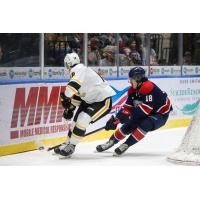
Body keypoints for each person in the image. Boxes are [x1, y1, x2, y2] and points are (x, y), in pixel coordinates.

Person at [96, 67, 173, 156]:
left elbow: (145, 111)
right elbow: (127, 108)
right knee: (129, 124)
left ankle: (126, 144)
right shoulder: (132, 90)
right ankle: (111, 142)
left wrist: (125, 118)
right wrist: (116, 120)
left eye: (131, 80)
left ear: (138, 79)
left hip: (160, 115)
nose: (130, 81)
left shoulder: (148, 87)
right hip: (148, 111)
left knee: (145, 124)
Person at [54, 52, 116, 158]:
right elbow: (79, 95)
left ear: (67, 64)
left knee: (83, 119)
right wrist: (70, 109)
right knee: (74, 123)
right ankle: (67, 143)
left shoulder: (78, 69)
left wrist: (65, 97)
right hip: (89, 100)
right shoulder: (81, 71)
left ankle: (72, 146)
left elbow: (71, 89)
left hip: (102, 101)